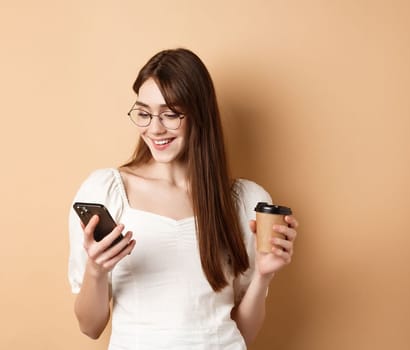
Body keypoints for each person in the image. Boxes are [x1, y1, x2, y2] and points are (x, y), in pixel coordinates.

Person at [67, 48, 298, 349]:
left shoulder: (244, 201)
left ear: (200, 115)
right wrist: (96, 271)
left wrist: (263, 276)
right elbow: (90, 326)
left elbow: (243, 333)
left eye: (171, 114)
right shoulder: (105, 191)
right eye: (144, 113)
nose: (155, 128)